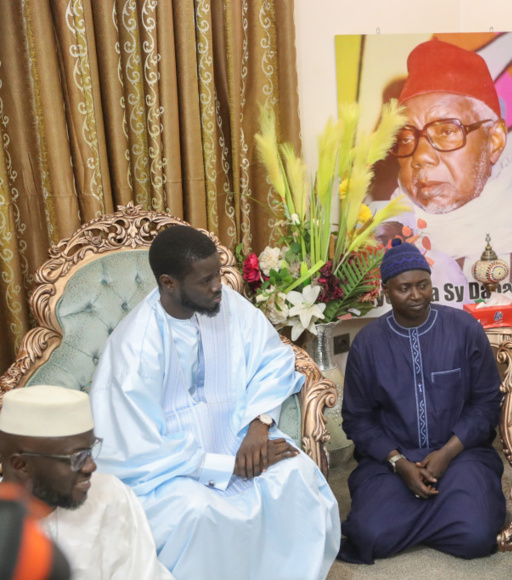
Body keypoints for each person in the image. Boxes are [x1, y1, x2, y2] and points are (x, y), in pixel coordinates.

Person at [88, 226, 340, 580]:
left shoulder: (229, 306)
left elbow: (273, 360)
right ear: (168, 283)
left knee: (294, 474)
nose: (218, 286)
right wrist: (226, 466)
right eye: (205, 280)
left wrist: (259, 424)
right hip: (168, 471)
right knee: (196, 512)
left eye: (218, 274)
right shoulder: (135, 347)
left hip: (236, 435)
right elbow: (133, 447)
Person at [338, 239, 505, 563]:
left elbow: (486, 402)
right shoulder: (367, 344)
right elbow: (357, 419)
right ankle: (441, 513)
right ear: (386, 291)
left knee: (477, 536)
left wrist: (446, 453)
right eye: (404, 288)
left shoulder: (464, 329)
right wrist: (398, 463)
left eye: (423, 285)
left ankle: (421, 517)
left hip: (460, 454)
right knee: (369, 536)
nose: (416, 295)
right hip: (391, 462)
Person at [386, 38, 512, 301]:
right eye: (406, 138)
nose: (420, 156)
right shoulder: (383, 237)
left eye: (446, 131)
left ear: (494, 141)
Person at [0, 385, 172, 579]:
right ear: (21, 465)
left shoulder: (108, 494)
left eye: (90, 451)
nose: (91, 466)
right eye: (77, 457)